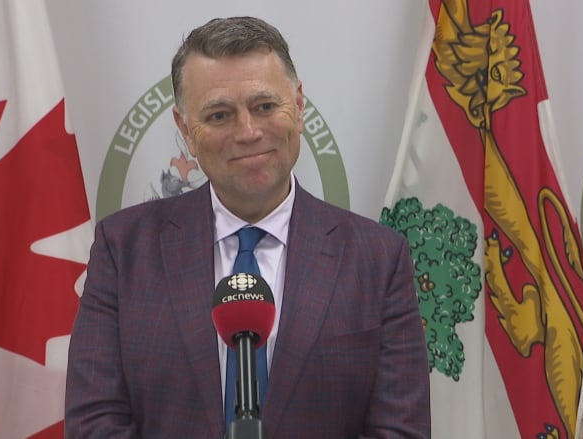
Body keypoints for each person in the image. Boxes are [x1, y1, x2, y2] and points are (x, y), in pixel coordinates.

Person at [65, 16, 430, 438]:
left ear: (298, 105)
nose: (248, 131)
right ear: (185, 129)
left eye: (264, 106)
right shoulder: (123, 249)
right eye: (219, 115)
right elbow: (94, 423)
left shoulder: (378, 259)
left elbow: (400, 429)